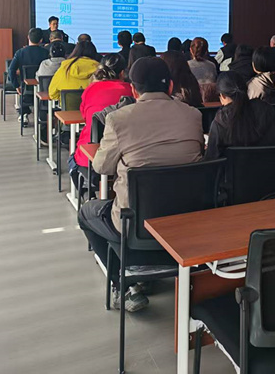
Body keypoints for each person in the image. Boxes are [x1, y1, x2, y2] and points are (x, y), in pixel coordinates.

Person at [77, 57, 204, 311]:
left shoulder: (119, 119)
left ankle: (124, 284)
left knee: (86, 213)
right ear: (170, 86)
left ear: (133, 90)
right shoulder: (193, 115)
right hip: (185, 223)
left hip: (136, 226)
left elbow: (101, 167)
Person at [205, 72, 275, 160]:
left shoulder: (220, 121)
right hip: (272, 168)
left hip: (236, 172)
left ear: (222, 96)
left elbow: (212, 159)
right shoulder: (265, 109)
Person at [71, 54, 133, 177]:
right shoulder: (131, 90)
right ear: (122, 73)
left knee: (72, 160)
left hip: (92, 154)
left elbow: (85, 116)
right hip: (126, 156)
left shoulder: (90, 89)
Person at [8, 27, 49, 120]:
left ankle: (24, 115)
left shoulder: (20, 53)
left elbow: (11, 70)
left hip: (26, 90)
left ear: (28, 37)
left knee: (24, 93)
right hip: (43, 89)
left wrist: (16, 85)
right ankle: (42, 116)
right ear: (41, 40)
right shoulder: (46, 53)